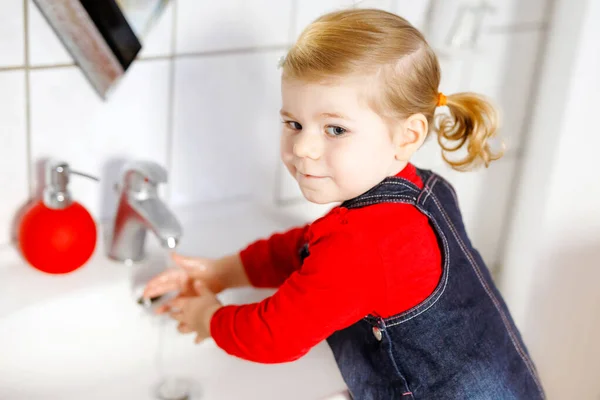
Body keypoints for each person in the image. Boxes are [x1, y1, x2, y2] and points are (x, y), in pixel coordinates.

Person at [144, 8, 544, 399]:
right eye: (293, 123)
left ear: (406, 136)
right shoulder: (423, 190)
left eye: (335, 129)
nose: (303, 146)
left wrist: (208, 318)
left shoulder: (364, 245)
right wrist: (223, 272)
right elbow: (311, 248)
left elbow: (274, 335)